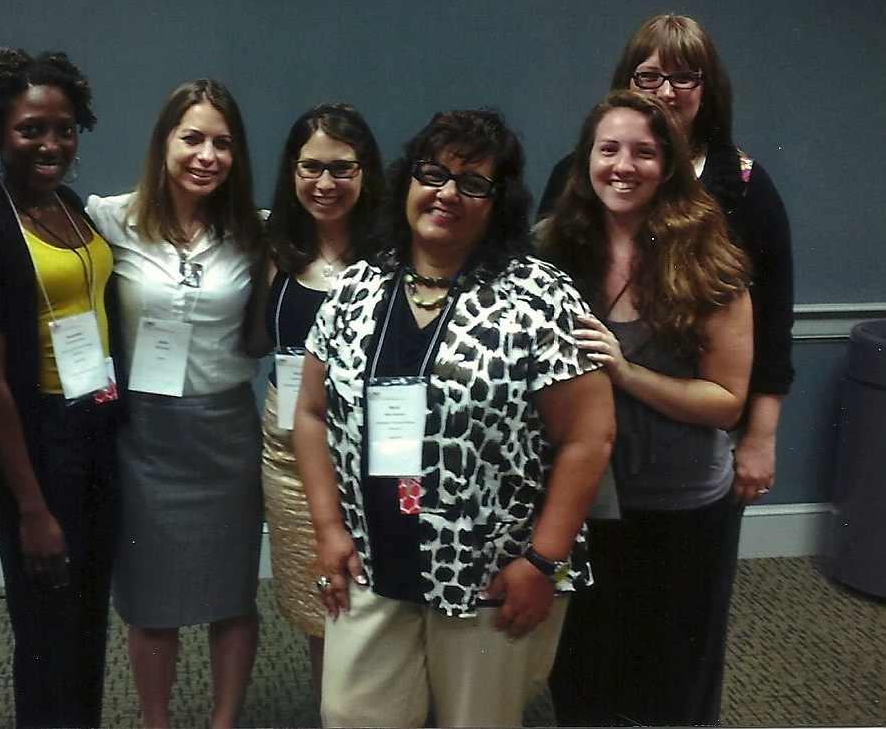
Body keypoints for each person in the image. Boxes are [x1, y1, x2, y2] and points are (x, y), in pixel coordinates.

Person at [292, 107, 615, 728]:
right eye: (433, 173)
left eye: (472, 183)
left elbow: (589, 436)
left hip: (493, 572)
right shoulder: (357, 288)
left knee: (477, 720)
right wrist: (329, 529)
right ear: (408, 182)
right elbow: (310, 414)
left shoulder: (538, 298)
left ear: (499, 202)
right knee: (352, 714)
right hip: (373, 556)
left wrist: (543, 563)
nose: (446, 193)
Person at [538, 90, 754, 725]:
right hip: (582, 498)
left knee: (667, 680)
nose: (622, 166)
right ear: (587, 161)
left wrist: (624, 372)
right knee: (581, 672)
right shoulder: (551, 250)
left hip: (678, 503)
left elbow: (725, 402)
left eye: (644, 152)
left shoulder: (710, 263)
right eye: (608, 150)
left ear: (670, 166)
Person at [538, 13, 793, 507]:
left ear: (707, 87)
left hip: (687, 456)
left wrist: (761, 438)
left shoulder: (743, 185)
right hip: (585, 444)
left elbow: (774, 323)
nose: (667, 91)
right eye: (649, 75)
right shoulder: (576, 176)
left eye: (684, 77)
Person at [86, 78, 265, 729]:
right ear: (163, 143)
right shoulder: (110, 217)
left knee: (232, 593)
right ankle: (156, 721)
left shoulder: (257, 233)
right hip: (146, 438)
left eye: (222, 143)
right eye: (191, 138)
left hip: (226, 434)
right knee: (149, 598)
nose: (206, 155)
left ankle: (223, 720)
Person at [0, 49, 119, 728]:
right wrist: (30, 508)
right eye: (30, 129)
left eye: (63, 128)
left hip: (94, 430)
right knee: (47, 629)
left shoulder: (69, 205)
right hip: (35, 446)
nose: (50, 143)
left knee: (84, 618)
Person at [259, 103, 384, 692]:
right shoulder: (277, 248)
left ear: (365, 173)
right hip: (288, 450)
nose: (325, 184)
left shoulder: (392, 257)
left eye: (342, 169)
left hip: (373, 454)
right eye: (312, 168)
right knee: (319, 601)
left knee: (381, 597)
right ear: (292, 171)